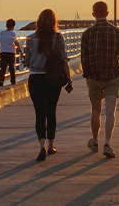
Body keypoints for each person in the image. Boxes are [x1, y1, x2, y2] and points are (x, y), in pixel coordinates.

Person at [81, 1, 119, 159]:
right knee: (110, 111)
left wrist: (87, 75)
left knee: (95, 110)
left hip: (94, 76)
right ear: (108, 13)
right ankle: (107, 143)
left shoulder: (87, 34)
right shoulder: (117, 32)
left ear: (93, 14)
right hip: (112, 76)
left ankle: (94, 141)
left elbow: (84, 59)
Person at [25, 9, 72, 162]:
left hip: (35, 79)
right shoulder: (58, 38)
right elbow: (64, 59)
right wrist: (69, 78)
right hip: (52, 78)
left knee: (39, 112)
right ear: (54, 22)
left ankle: (41, 146)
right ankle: (51, 145)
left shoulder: (30, 39)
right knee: (51, 111)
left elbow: (27, 62)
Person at [0, 18, 21, 87]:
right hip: (11, 53)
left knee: (3, 67)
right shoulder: (13, 33)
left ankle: (1, 80)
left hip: (3, 52)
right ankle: (13, 80)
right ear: (13, 26)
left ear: (6, 25)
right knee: (11, 67)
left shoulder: (1, 33)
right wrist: (20, 51)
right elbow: (16, 43)